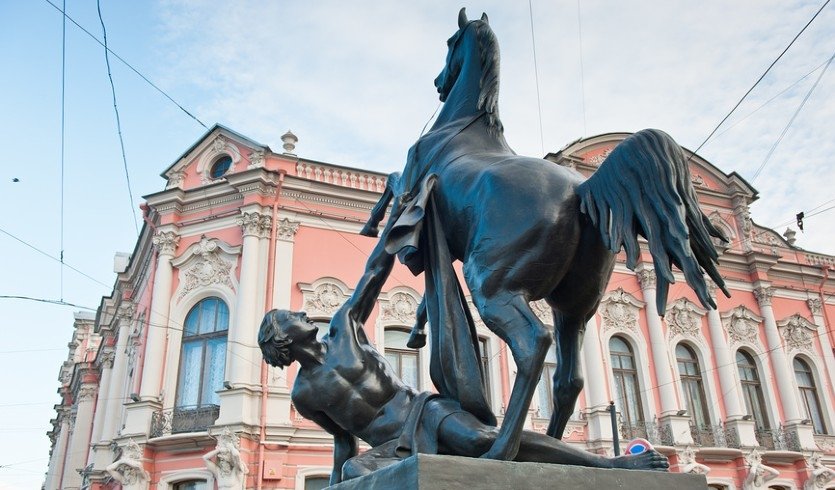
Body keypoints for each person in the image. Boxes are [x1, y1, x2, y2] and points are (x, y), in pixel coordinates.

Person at [258, 228, 669, 485]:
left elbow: (373, 273)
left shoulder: (344, 328)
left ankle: (609, 465)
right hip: (390, 447)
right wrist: (336, 483)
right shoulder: (304, 396)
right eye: (290, 316)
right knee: (353, 472)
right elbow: (343, 443)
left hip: (422, 411)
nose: (300, 313)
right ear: (282, 337)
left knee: (481, 440)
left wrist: (400, 221)